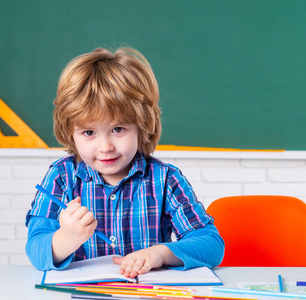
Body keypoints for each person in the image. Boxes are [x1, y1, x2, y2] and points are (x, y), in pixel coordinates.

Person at [25, 47, 224, 278]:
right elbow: (35, 251)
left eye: (118, 129)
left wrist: (160, 253)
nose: (105, 147)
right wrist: (67, 238)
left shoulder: (165, 179)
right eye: (89, 132)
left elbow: (211, 245)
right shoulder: (61, 176)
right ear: (71, 133)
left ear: (142, 125)